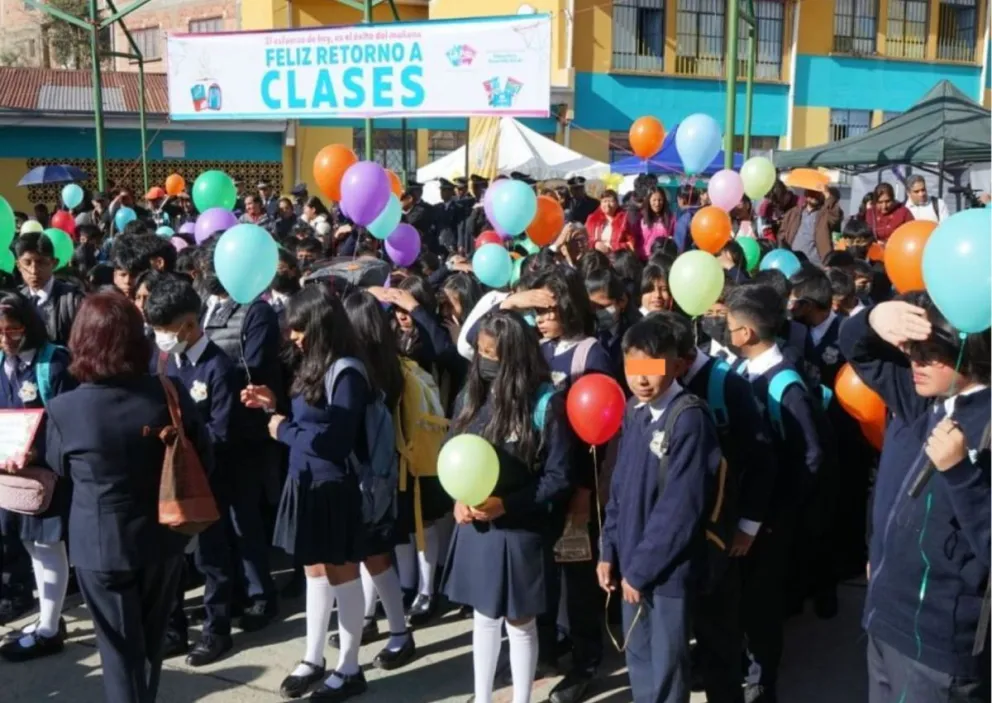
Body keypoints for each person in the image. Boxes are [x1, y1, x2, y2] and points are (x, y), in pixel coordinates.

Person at [44, 292, 212, 703]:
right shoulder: (168, 391)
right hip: (164, 533)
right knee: (150, 648)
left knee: (119, 655)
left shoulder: (65, 409)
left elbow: (58, 469)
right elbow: (202, 453)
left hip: (100, 544)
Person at [839, 295, 990, 703]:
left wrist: (961, 474)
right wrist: (872, 317)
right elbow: (856, 348)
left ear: (968, 353)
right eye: (911, 353)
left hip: (939, 645)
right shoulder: (924, 401)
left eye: (930, 354)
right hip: (886, 618)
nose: (915, 365)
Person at [242, 286, 375, 701]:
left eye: (299, 328)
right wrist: (272, 406)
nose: (293, 336)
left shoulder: (348, 371)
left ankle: (350, 667)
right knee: (314, 571)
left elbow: (335, 440)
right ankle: (313, 656)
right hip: (304, 481)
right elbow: (308, 418)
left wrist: (282, 430)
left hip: (333, 486)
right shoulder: (310, 364)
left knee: (343, 574)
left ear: (319, 324)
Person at [441, 309, 574, 703]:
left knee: (520, 621)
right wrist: (458, 498)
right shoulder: (470, 395)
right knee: (483, 617)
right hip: (477, 528)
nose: (483, 362)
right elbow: (456, 455)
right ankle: (481, 697)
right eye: (480, 352)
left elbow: (558, 477)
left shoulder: (545, 403)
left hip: (519, 529)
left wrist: (508, 505)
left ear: (514, 357)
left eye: (492, 354)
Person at [599, 316, 723, 703]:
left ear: (677, 364)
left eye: (652, 369)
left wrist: (639, 570)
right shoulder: (634, 411)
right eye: (634, 369)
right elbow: (618, 488)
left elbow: (680, 510)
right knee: (639, 660)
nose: (642, 380)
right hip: (631, 566)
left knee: (667, 666)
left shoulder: (688, 418)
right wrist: (608, 551)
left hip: (666, 573)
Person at [724, 284, 825, 703]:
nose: (725, 333)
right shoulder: (742, 372)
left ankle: (762, 679)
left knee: (763, 602)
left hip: (770, 518)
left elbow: (811, 454)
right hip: (750, 507)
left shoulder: (784, 383)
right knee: (746, 596)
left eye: (729, 327)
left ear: (747, 334)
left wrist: (781, 512)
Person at [144, 277, 240, 667]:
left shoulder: (219, 367)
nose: (161, 339)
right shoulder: (163, 361)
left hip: (207, 480)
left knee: (211, 559)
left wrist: (185, 447)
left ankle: (217, 630)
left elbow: (222, 430)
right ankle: (173, 628)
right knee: (172, 559)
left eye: (165, 331)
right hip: (168, 481)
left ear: (187, 325)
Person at [199, 240, 283, 632]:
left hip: (246, 431)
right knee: (220, 521)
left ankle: (261, 595)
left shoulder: (259, 310)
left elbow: (258, 363)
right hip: (211, 429)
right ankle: (231, 593)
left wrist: (214, 372)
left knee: (244, 519)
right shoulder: (205, 309)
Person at [0, 293, 75, 662]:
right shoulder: (2, 362)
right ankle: (50, 616)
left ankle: (48, 630)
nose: (5, 340)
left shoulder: (54, 364)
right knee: (30, 546)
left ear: (29, 326)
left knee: (48, 547)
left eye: (12, 331)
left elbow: (69, 421)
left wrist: (35, 452)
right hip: (12, 478)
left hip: (46, 473)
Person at [15, 232, 84, 345]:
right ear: (19, 266)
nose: (34, 271)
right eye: (27, 263)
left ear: (54, 263)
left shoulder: (73, 300)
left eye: (41, 262)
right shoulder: (17, 300)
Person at [778, 187, 833, 266]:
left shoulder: (825, 214)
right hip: (793, 260)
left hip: (816, 263)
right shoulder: (793, 212)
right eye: (812, 193)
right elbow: (781, 235)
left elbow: (836, 215)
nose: (815, 196)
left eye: (818, 194)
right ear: (806, 195)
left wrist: (828, 196)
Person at [632, 189, 676, 261]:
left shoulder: (671, 219)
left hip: (662, 259)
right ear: (648, 201)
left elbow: (674, 239)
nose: (657, 203)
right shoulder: (640, 218)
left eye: (660, 200)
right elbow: (634, 238)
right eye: (654, 200)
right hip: (643, 259)